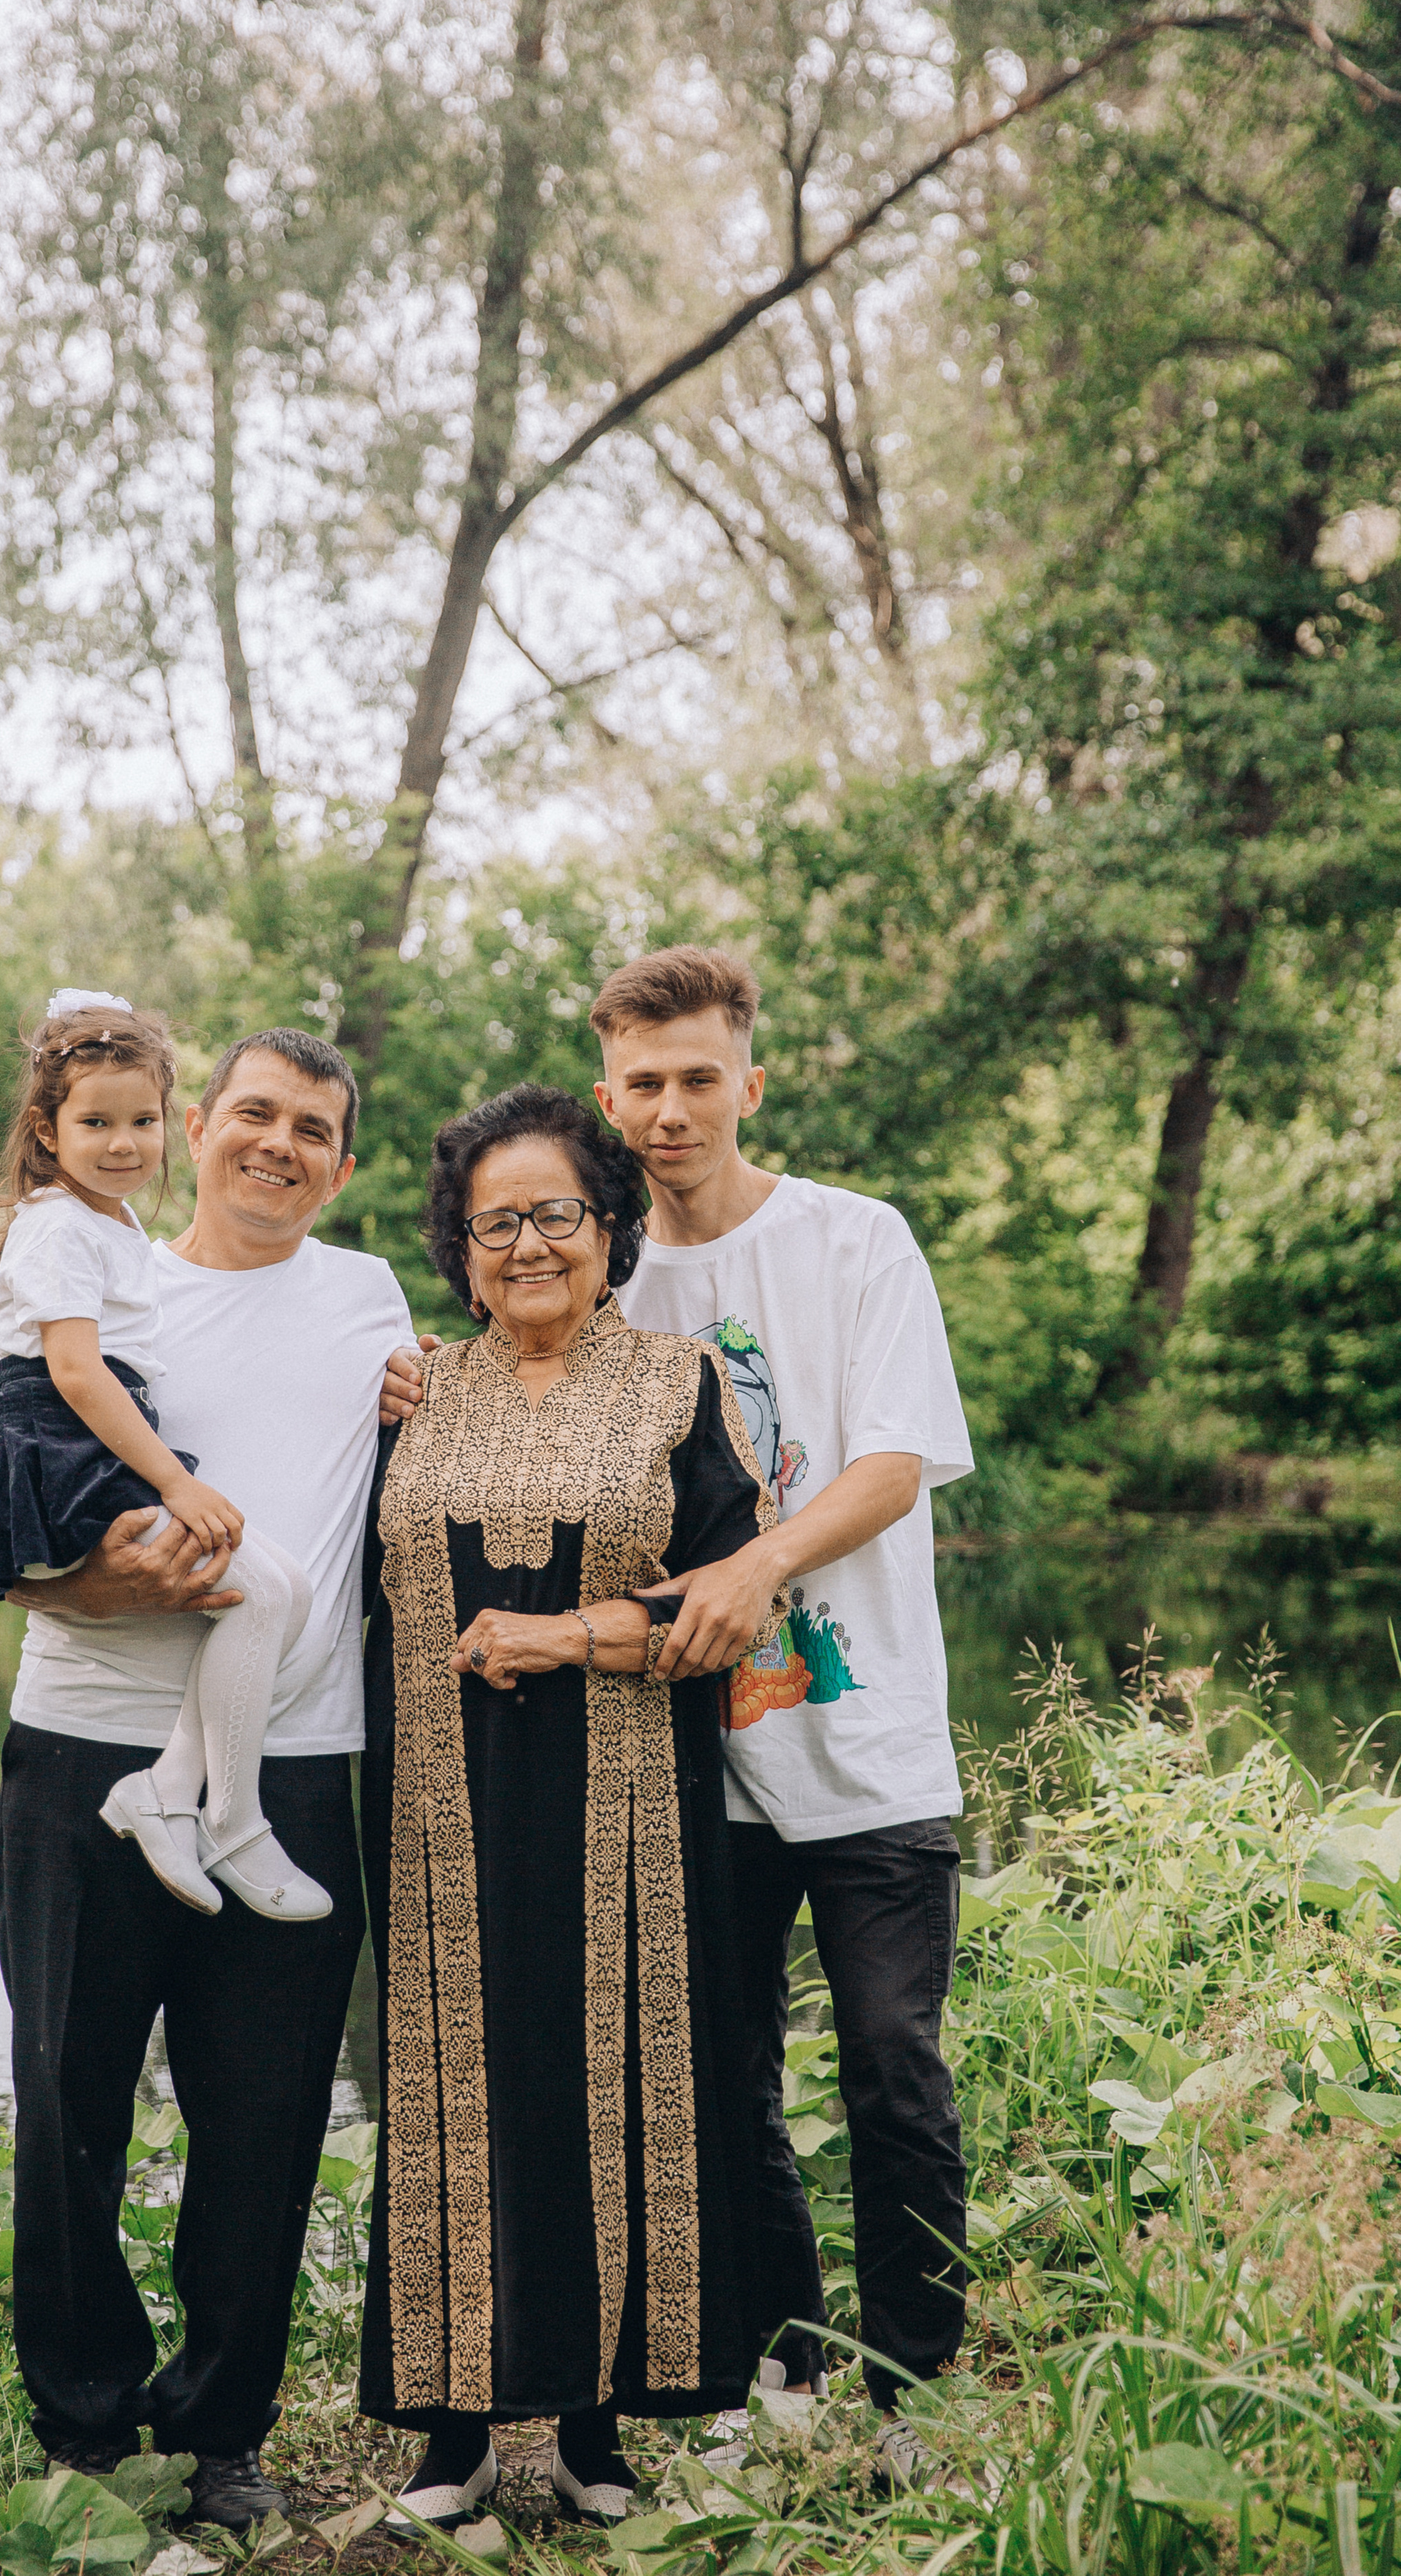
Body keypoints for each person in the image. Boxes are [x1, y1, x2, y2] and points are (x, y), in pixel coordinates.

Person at [382, 950, 975, 2496]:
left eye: (697, 1078)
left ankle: (919, 2388)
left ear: (746, 1082)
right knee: (720, 2080)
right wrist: (416, 1392)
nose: (669, 1109)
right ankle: (781, 2367)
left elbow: (895, 1459)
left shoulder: (853, 1239)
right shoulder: (603, 1268)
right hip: (682, 1762)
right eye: (640, 1084)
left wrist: (755, 1567)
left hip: (863, 1735)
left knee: (892, 2062)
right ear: (608, 1097)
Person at [0, 1026, 413, 2528]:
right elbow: (0, 1524)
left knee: (268, 2121)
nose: (277, 1145)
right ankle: (85, 2430)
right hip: (84, 1748)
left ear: (340, 1169)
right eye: (254, 1113)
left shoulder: (371, 1300)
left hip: (291, 1771)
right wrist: (86, 1582)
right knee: (70, 2104)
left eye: (312, 1130)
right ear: (194, 1127)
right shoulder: (99, 1280)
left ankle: (220, 2432)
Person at [361, 1084, 785, 2537]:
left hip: (629, 1810)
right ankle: (455, 2434)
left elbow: (733, 1604)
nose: (528, 1245)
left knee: (609, 2084)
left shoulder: (679, 1385)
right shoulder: (417, 1394)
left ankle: (596, 2430)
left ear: (608, 1230)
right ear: (460, 1250)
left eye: (556, 1214)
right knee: (452, 2093)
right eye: (496, 1224)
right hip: (437, 1807)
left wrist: (569, 1639)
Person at [0, 989, 329, 1923]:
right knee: (266, 1592)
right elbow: (77, 1373)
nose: (123, 1144)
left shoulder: (110, 1223)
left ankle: (169, 1790)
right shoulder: (56, 1224)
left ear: (169, 1124)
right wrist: (175, 1481)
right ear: (47, 1130)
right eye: (96, 1123)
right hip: (62, 1445)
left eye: (141, 1122)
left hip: (88, 1439)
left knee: (285, 1590)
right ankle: (227, 1817)